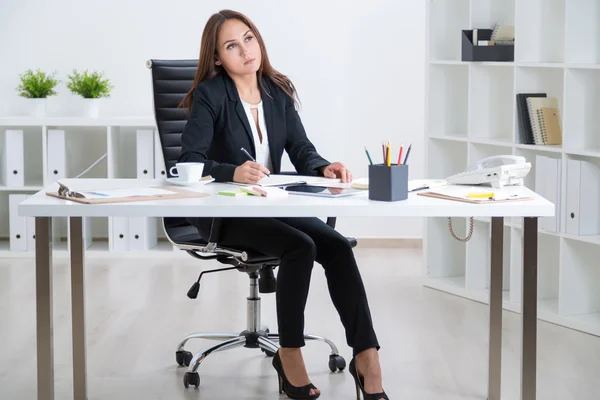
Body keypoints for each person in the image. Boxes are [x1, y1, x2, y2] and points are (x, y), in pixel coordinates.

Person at [178, 9, 388, 400]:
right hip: (225, 212)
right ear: (218, 58)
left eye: (249, 38)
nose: (244, 50)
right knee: (300, 247)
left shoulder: (277, 90)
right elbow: (190, 160)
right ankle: (289, 356)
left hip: (270, 203)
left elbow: (301, 149)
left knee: (338, 247)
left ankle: (367, 356)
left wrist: (324, 167)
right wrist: (231, 171)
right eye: (231, 45)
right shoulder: (211, 95)